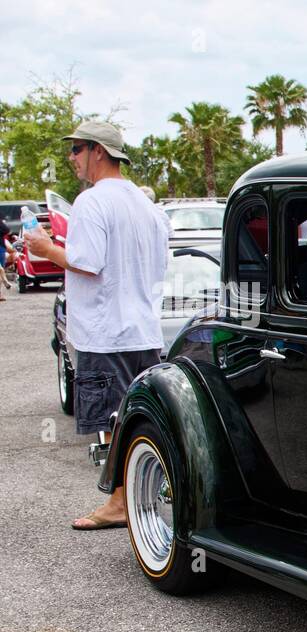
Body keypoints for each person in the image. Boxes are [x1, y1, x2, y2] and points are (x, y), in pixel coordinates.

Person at [21, 120, 171, 530]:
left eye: (75, 150)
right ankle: (138, 496)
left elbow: (87, 262)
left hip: (105, 332)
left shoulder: (92, 201)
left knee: (111, 420)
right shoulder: (147, 205)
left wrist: (44, 247)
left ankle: (121, 503)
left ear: (97, 151)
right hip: (142, 328)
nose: (71, 159)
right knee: (140, 418)